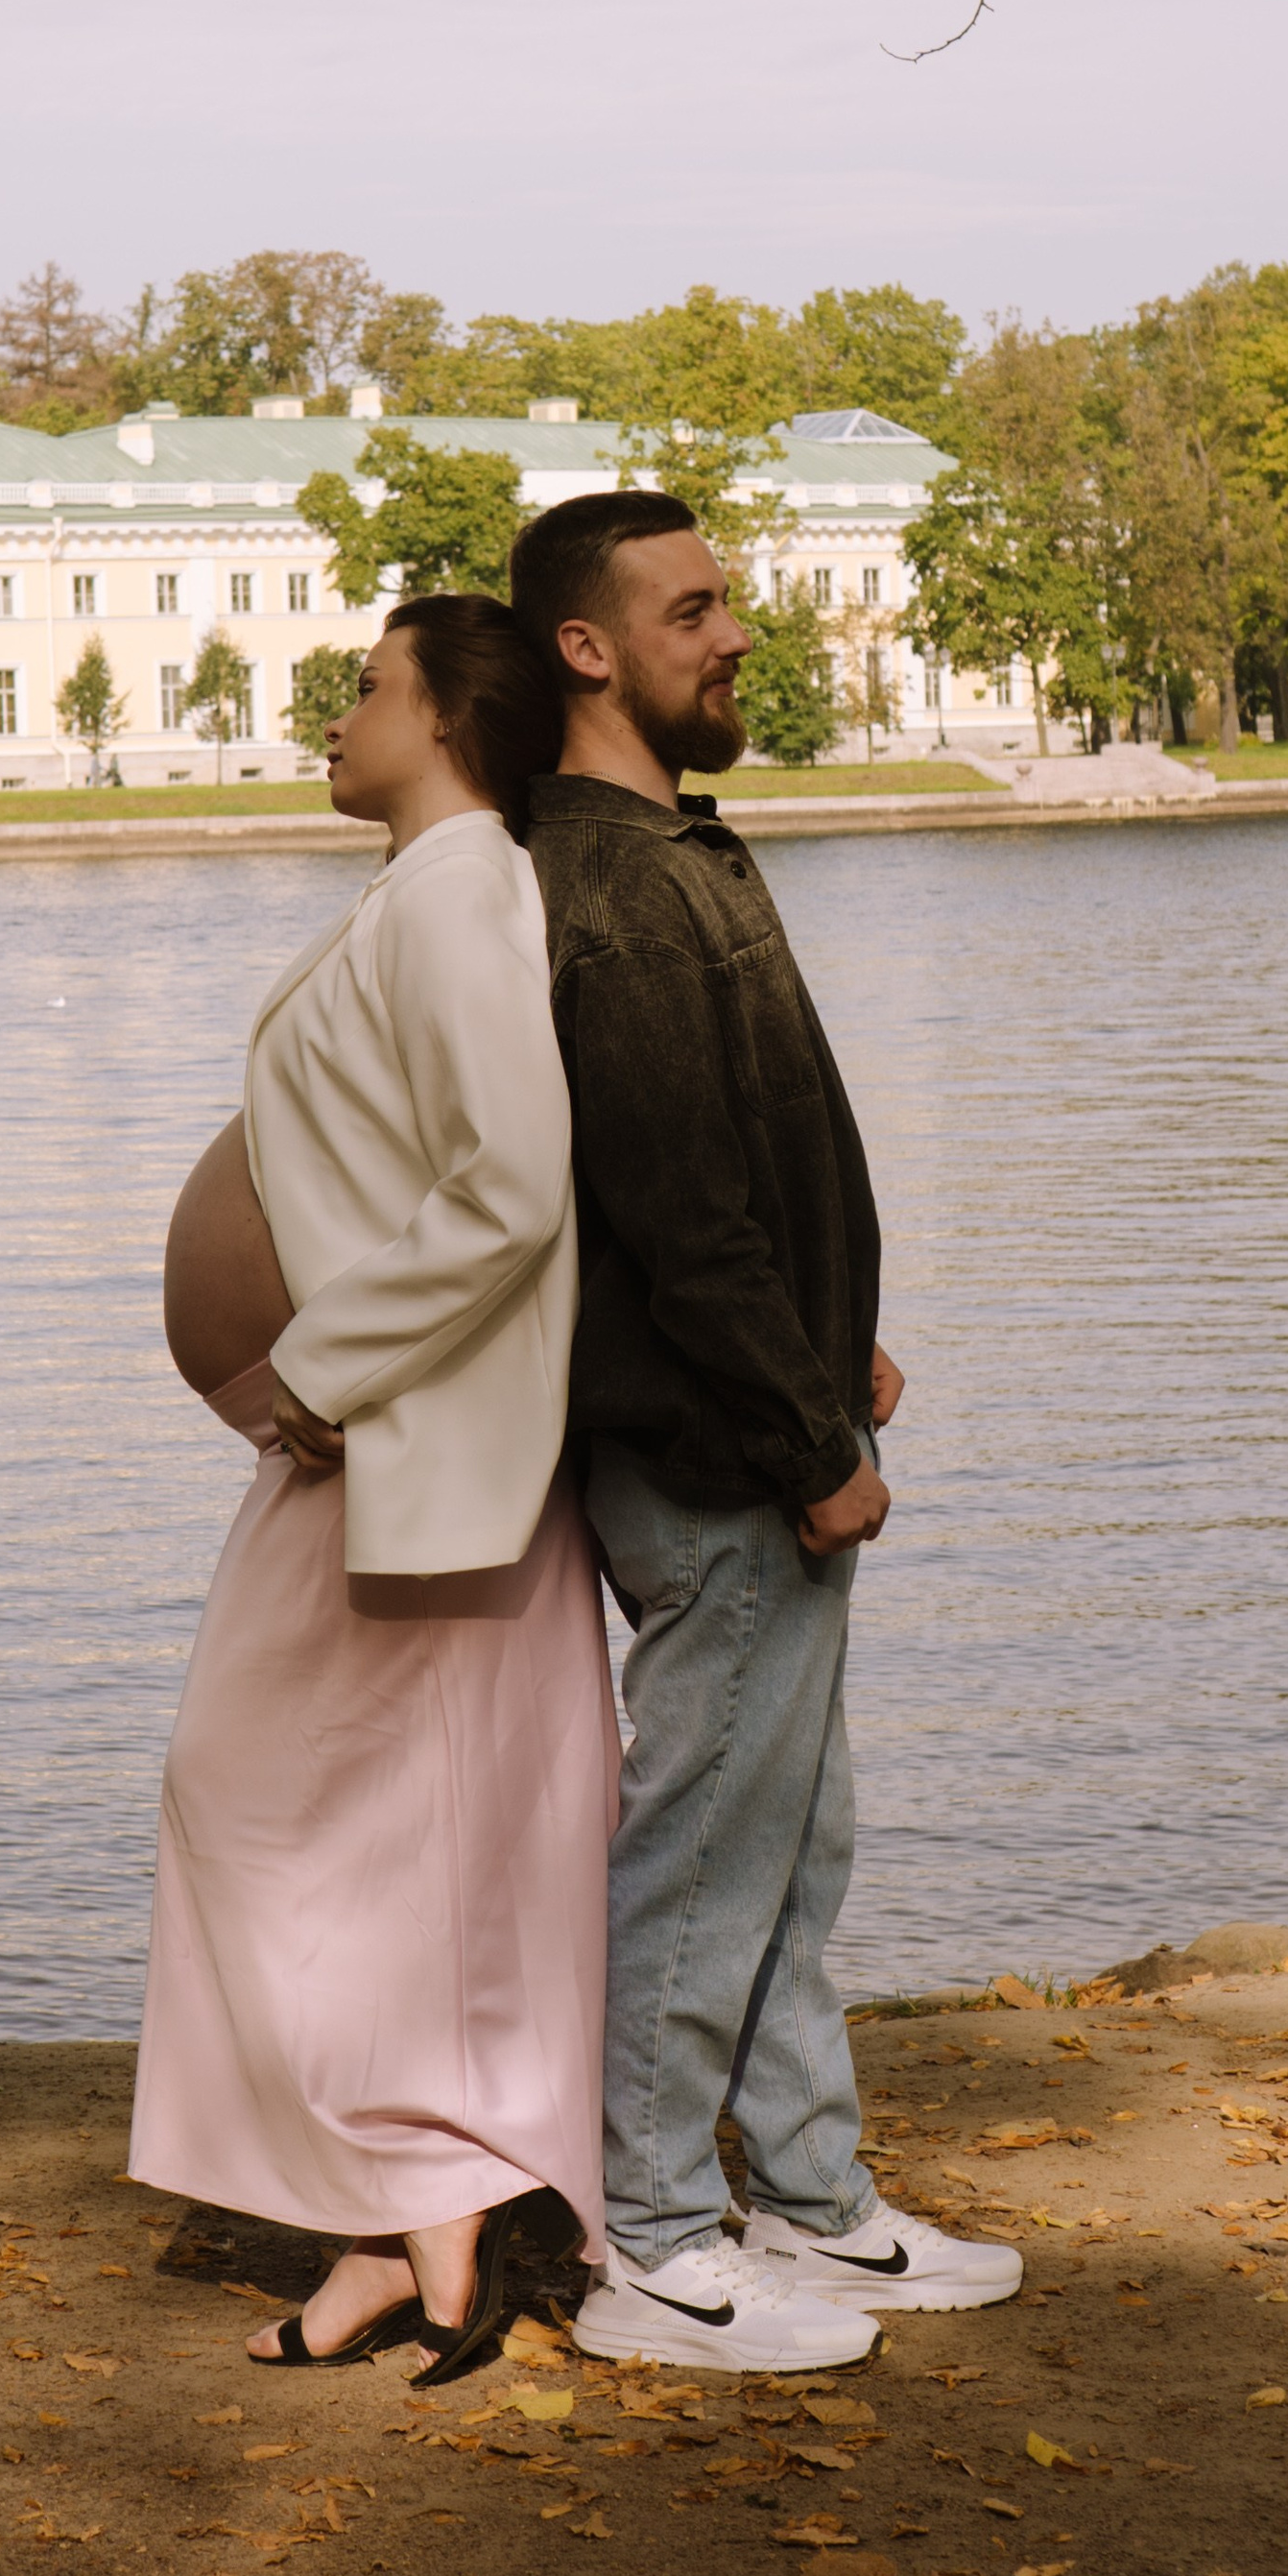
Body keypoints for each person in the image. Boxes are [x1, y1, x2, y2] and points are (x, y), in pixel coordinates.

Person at [509, 488, 1023, 2374]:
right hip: (713, 1455)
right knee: (704, 1843)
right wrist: (809, 1438)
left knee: (795, 1839)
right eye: (693, 608)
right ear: (588, 646)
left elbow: (751, 1164)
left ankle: (807, 2200)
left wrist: (840, 1352)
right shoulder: (605, 881)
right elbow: (673, 1211)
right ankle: (644, 2242)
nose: (733, 634)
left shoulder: (680, 847)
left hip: (770, 1417)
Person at [131, 593, 618, 2384]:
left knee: (269, 1802)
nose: (332, 713)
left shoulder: (471, 887)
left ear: (449, 718)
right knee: (381, 1841)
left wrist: (329, 1372)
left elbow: (515, 1183)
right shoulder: (425, 891)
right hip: (377, 1450)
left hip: (406, 1446)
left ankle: (434, 2213)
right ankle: (404, 2241)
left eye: (362, 686)